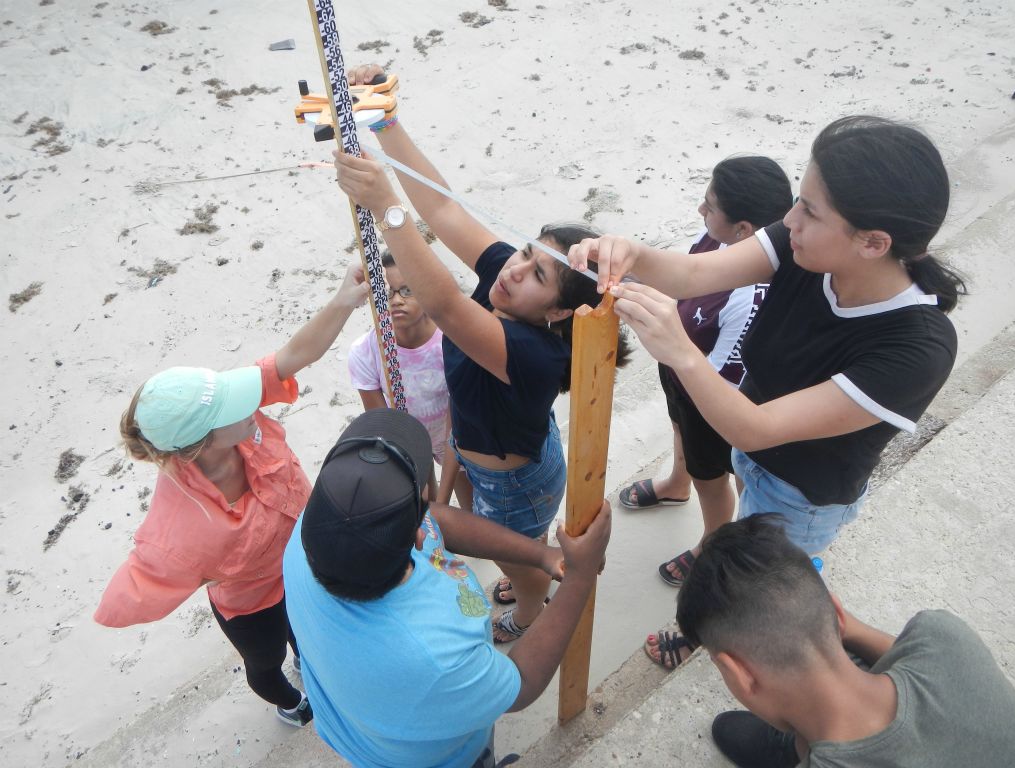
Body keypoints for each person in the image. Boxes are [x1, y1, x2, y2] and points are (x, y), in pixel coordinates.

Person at [568, 117, 964, 666]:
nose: (790, 219)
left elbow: (756, 426)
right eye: (797, 201)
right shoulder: (804, 246)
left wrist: (679, 349)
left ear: (873, 242)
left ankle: (716, 626)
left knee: (759, 581)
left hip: (800, 497)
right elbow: (688, 275)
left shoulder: (916, 348)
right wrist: (631, 254)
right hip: (752, 456)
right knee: (749, 547)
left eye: (810, 210)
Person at [335, 63, 629, 643]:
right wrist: (386, 121)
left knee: (519, 559)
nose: (515, 269)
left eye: (538, 273)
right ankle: (526, 581)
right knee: (519, 553)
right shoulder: (510, 284)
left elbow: (442, 303)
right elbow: (445, 213)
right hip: (500, 459)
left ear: (560, 312)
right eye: (526, 252)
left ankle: (529, 609)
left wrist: (386, 209)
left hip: (512, 483)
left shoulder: (532, 350)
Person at [94, 266, 369, 726]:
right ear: (199, 444)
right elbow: (133, 591)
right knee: (264, 663)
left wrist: (343, 299)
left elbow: (293, 356)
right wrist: (203, 575)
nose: (250, 405)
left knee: (308, 636)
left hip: (304, 565)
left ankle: (307, 661)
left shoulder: (235, 417)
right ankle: (290, 702)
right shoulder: (180, 527)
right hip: (251, 604)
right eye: (231, 407)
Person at [283, 408, 612, 768]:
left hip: (364, 734)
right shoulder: (437, 657)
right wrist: (579, 576)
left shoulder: (309, 536)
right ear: (417, 537)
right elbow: (521, 683)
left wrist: (541, 556)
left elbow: (435, 518)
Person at [671, 515, 1015, 768]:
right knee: (843, 668)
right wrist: (832, 623)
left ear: (737, 674)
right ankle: (804, 736)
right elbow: (903, 651)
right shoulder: (944, 635)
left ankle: (802, 739)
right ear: (838, 610)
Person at [616, 155, 792, 590]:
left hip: (711, 397)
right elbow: (681, 278)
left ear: (745, 231)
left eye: (710, 207)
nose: (700, 212)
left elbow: (722, 379)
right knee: (678, 427)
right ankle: (677, 483)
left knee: (711, 476)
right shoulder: (717, 240)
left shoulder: (749, 298)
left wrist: (660, 335)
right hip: (679, 370)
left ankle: (712, 539)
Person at [347, 248, 472, 507]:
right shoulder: (366, 352)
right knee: (424, 510)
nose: (396, 301)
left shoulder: (452, 342)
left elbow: (457, 430)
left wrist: (444, 502)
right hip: (407, 439)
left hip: (459, 440)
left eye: (407, 291)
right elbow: (388, 428)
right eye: (386, 292)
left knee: (471, 511)